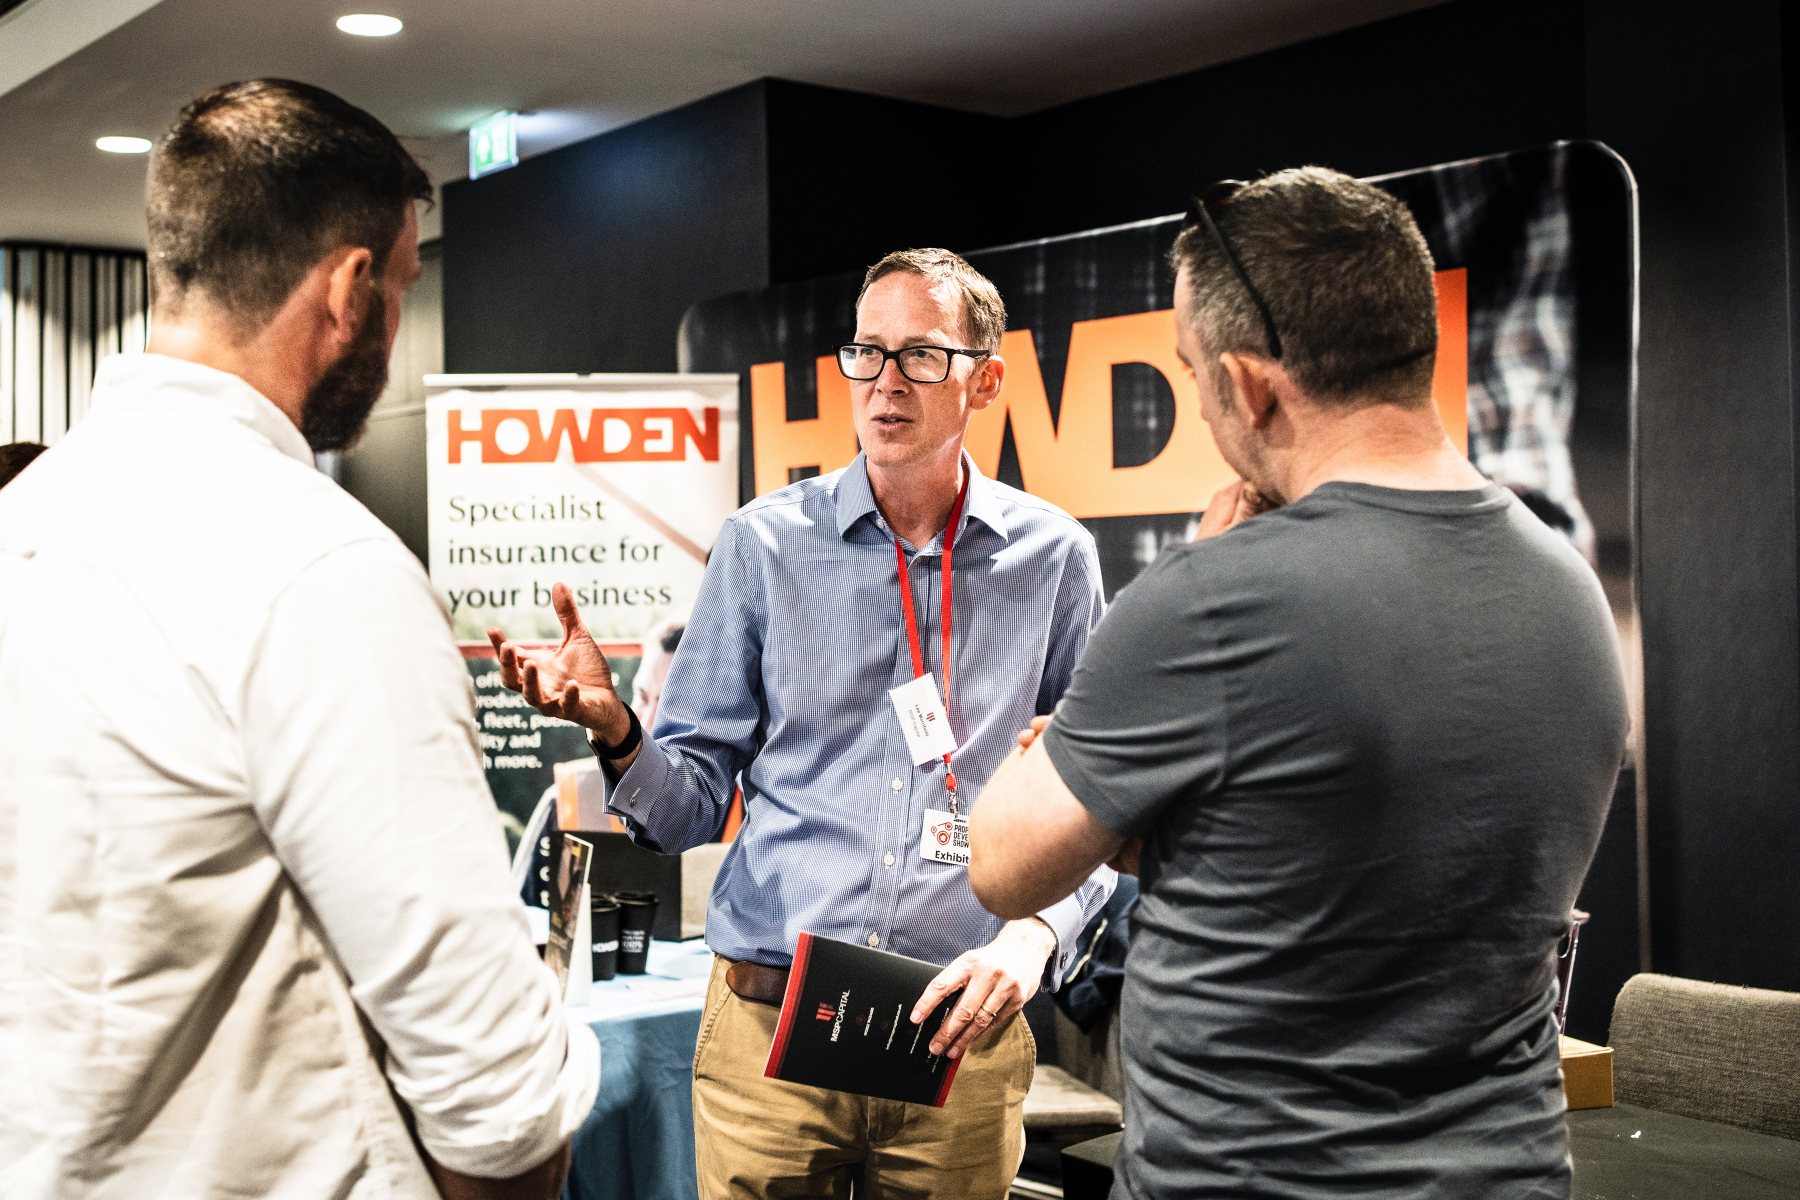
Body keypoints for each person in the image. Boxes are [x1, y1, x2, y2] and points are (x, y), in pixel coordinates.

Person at [968, 168, 1628, 1199]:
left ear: (1249, 385)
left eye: (1192, 374)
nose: (1201, 404)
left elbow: (1003, 866)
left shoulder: (1212, 598)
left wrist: (1105, 767)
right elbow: (1357, 846)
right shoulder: (1570, 588)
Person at [0, 81, 597, 1200]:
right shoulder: (322, 569)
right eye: (401, 288)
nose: (393, 327)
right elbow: (494, 1100)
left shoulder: (23, 520)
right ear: (348, 288)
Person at [488, 248, 1115, 1197]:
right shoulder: (763, 545)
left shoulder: (1053, 558)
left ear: (985, 381)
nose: (886, 381)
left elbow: (1095, 799)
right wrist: (619, 733)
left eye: (922, 355)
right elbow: (686, 811)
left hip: (958, 1038)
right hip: (771, 1035)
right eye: (867, 352)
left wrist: (1035, 936)